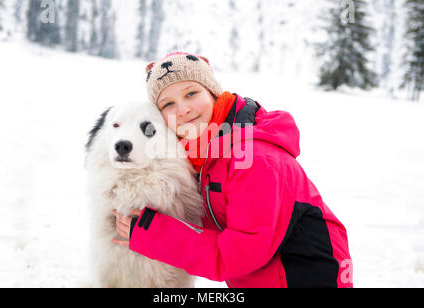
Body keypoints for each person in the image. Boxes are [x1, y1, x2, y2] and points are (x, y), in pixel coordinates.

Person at [111, 52, 353, 288]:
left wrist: (150, 232)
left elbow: (238, 255)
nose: (183, 109)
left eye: (191, 93)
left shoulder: (254, 159)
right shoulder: (204, 154)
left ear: (213, 92)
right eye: (168, 103)